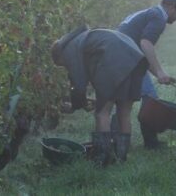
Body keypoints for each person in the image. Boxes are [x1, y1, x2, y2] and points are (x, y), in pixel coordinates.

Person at [51, 26, 154, 165]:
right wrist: (85, 101)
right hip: (135, 59)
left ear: (59, 56)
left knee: (102, 113)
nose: (66, 67)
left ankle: (103, 160)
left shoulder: (69, 49)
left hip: (115, 61)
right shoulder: (82, 38)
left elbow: (79, 84)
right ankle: (121, 158)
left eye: (62, 65)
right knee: (124, 113)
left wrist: (75, 106)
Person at [116, 0, 176, 149]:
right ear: (170, 6)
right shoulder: (158, 17)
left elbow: (141, 55)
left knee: (121, 102)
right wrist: (160, 72)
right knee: (150, 99)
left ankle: (117, 143)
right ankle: (151, 143)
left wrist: (160, 74)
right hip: (127, 58)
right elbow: (145, 43)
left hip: (118, 55)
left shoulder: (148, 13)